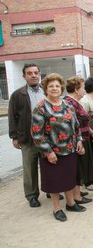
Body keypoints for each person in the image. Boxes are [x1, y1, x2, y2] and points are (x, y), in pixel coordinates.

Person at [31, 73, 86, 222]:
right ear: (46, 89)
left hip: (70, 149)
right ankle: (57, 208)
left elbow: (76, 125)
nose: (54, 88)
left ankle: (70, 203)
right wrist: (48, 152)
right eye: (51, 86)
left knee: (69, 178)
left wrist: (79, 140)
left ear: (61, 88)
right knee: (54, 182)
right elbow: (37, 134)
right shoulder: (41, 108)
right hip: (52, 153)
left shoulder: (67, 104)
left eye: (57, 86)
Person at [8, 63, 45, 207]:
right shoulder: (18, 95)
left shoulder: (46, 91)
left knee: (48, 166)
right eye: (30, 73)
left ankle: (51, 190)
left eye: (36, 72)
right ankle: (32, 195)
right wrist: (14, 137)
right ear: (24, 76)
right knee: (30, 168)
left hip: (46, 137)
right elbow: (12, 117)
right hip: (28, 139)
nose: (34, 75)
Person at [64, 76, 93, 204]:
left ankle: (76, 192)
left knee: (79, 168)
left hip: (82, 138)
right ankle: (75, 196)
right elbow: (73, 124)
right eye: (82, 88)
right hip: (77, 141)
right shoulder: (70, 103)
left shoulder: (75, 102)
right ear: (76, 89)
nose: (84, 90)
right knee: (76, 169)